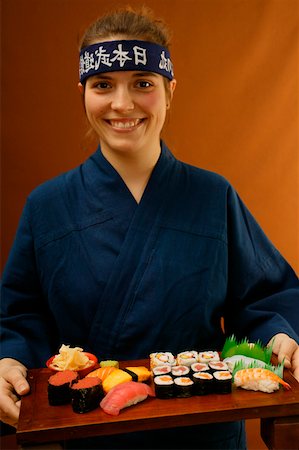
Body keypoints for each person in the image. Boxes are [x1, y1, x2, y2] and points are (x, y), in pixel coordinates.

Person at [1, 5, 298, 449]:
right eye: (103, 85)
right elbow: (21, 315)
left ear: (170, 90)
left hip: (205, 424)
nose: (122, 104)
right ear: (83, 92)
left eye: (143, 84)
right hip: (93, 428)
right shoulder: (47, 206)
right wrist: (7, 358)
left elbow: (262, 295)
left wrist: (281, 335)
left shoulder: (212, 195)